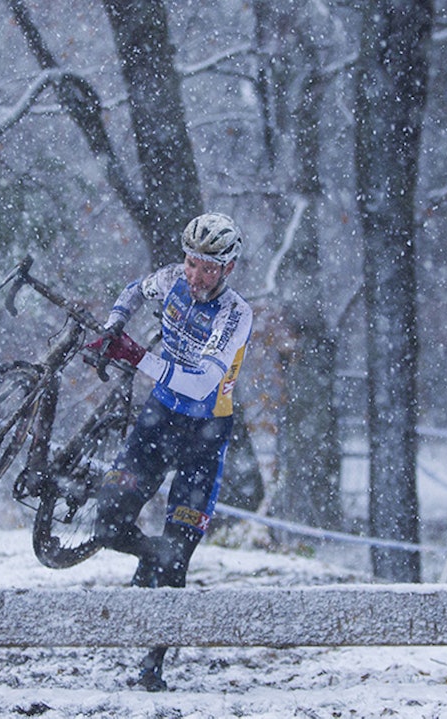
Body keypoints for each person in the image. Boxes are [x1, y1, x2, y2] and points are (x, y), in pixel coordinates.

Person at [85, 212, 252, 692]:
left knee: (179, 559)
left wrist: (137, 356)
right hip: (158, 420)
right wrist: (116, 325)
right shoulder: (174, 280)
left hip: (206, 431)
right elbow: (135, 289)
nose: (196, 277)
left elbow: (202, 383)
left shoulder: (236, 314)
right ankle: (150, 553)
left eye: (208, 269)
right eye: (192, 263)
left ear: (228, 269)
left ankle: (152, 666)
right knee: (108, 523)